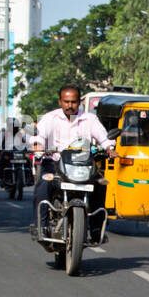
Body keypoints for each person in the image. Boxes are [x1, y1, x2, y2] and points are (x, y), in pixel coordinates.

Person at [31, 85, 113, 240]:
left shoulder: (90, 119)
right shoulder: (50, 118)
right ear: (60, 101)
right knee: (43, 184)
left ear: (79, 102)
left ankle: (97, 230)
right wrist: (38, 145)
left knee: (101, 184)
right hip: (55, 164)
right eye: (66, 101)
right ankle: (41, 227)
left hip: (83, 166)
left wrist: (109, 147)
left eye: (73, 102)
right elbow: (39, 135)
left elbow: (104, 138)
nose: (70, 105)